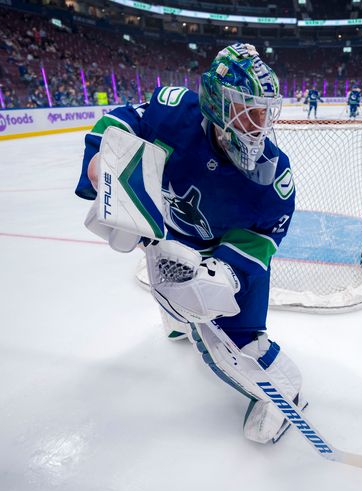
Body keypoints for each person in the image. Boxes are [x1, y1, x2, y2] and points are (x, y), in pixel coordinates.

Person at [74, 43, 303, 445]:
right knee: (173, 291)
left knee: (238, 340)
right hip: (173, 236)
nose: (260, 123)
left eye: (265, 110)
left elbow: (265, 233)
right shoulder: (174, 110)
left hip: (223, 252)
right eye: (248, 109)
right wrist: (99, 160)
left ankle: (287, 393)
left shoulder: (274, 172)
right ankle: (178, 319)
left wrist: (228, 275)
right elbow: (125, 120)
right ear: (216, 100)